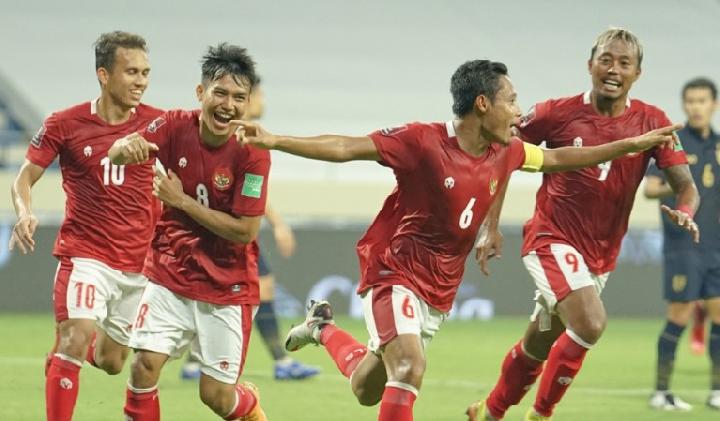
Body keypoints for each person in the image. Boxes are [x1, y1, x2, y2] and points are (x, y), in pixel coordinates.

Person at [235, 59, 680, 421]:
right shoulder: (423, 142)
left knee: (367, 387)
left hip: (438, 289)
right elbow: (347, 147)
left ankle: (321, 327)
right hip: (395, 271)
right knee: (409, 367)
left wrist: (630, 145)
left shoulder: (507, 151)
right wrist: (275, 140)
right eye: (512, 100)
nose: (518, 111)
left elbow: (561, 157)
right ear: (483, 104)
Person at [465, 28, 700, 421]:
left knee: (537, 346)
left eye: (624, 63)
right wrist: (491, 223)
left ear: (637, 73)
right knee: (591, 323)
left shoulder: (653, 122)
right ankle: (540, 415)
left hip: (599, 257)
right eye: (605, 59)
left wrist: (686, 212)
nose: (613, 69)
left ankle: (488, 412)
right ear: (589, 65)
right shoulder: (556, 113)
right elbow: (500, 150)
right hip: (551, 238)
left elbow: (686, 187)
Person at [109, 42, 269, 421]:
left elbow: (245, 231)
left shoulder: (254, 152)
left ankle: (248, 403)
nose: (228, 105)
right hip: (171, 272)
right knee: (143, 366)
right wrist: (123, 148)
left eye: (238, 97)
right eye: (220, 93)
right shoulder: (172, 125)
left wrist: (182, 203)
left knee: (216, 397)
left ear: (247, 103)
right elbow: (120, 150)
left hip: (227, 286)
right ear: (202, 93)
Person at [9, 31, 162, 421]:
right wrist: (24, 211)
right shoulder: (65, 123)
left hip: (137, 264)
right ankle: (65, 355)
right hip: (85, 255)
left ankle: (64, 354)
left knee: (112, 361)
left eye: (145, 72)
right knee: (75, 337)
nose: (141, 81)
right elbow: (24, 177)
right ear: (103, 74)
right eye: (131, 72)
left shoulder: (158, 124)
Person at [180, 82, 319, 381]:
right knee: (231, 289)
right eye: (261, 94)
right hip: (227, 228)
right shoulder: (238, 135)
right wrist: (279, 224)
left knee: (246, 288)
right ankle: (279, 362)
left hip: (231, 226)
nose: (263, 100)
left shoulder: (245, 134)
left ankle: (197, 361)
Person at [645, 77, 720, 411]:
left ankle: (717, 390)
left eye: (702, 101)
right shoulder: (673, 143)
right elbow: (650, 189)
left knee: (719, 318)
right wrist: (679, 184)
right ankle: (661, 392)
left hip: (716, 247)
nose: (696, 107)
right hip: (683, 246)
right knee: (679, 316)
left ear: (714, 105)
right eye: (690, 101)